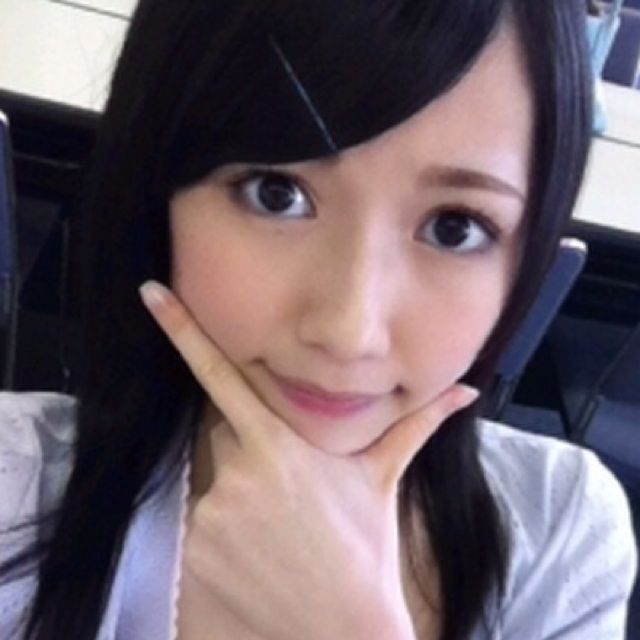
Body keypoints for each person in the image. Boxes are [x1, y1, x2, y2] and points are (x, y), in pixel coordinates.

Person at [0, 1, 637, 639]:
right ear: (155, 189)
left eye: (454, 227)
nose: (348, 333)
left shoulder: (562, 539)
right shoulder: (13, 489)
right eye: (276, 194)